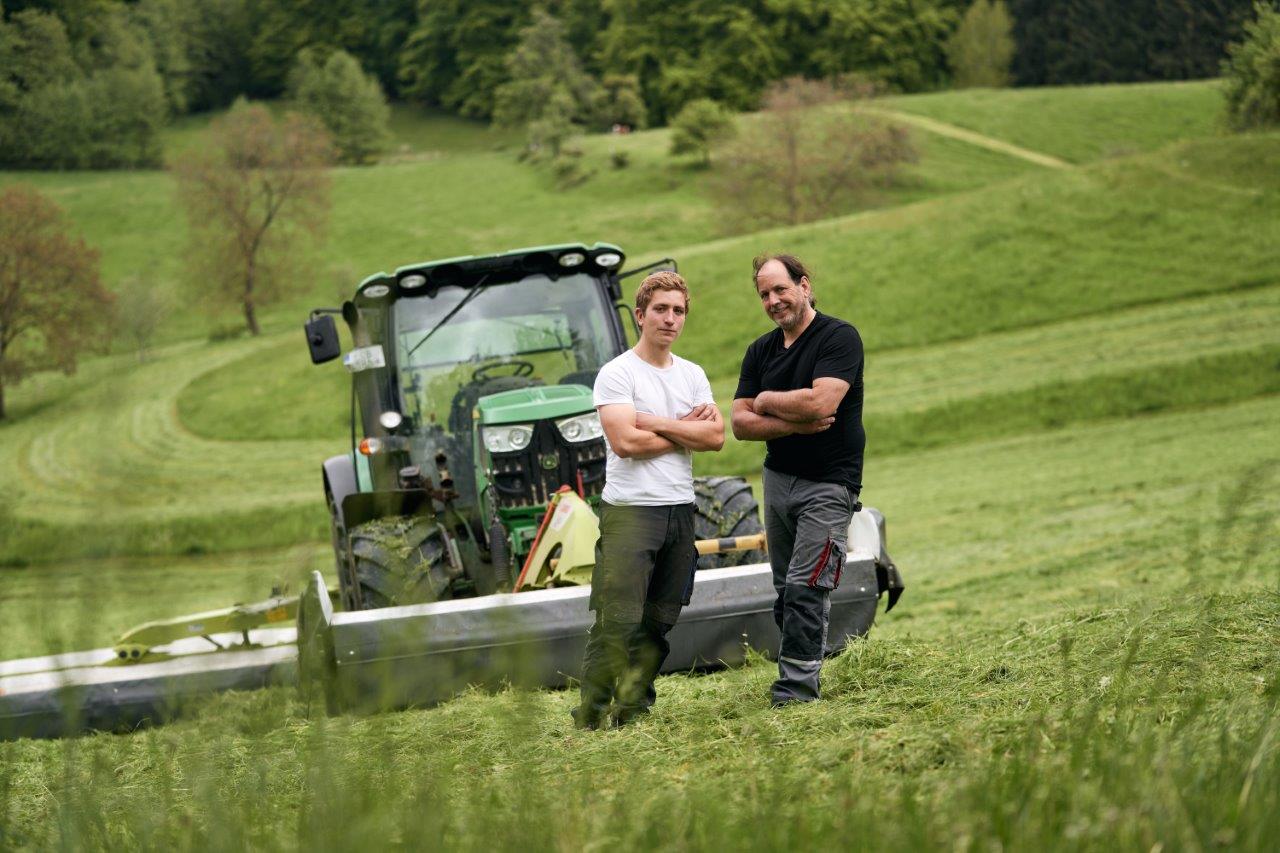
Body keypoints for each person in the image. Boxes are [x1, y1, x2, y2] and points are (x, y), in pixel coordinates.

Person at [573, 270, 724, 729]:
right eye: (661, 309)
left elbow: (715, 437)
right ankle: (591, 718)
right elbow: (626, 444)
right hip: (631, 513)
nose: (670, 319)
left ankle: (633, 712)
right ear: (640, 315)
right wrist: (684, 430)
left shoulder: (693, 374)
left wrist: (652, 422)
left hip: (679, 510)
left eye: (678, 311)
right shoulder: (617, 374)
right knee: (617, 622)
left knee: (659, 622)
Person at [730, 254, 865, 706]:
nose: (773, 300)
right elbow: (740, 424)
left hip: (829, 482)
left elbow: (820, 404)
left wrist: (766, 399)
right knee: (786, 588)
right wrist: (791, 424)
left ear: (804, 285)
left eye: (780, 289)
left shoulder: (838, 337)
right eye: (764, 294)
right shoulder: (760, 351)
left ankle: (796, 691)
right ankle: (801, 670)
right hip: (778, 479)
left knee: (809, 584)